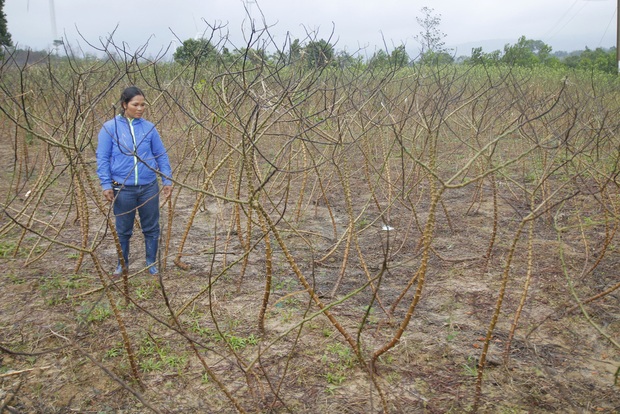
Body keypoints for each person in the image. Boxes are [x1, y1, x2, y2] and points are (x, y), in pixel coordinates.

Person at [96, 86, 173, 276]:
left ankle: (150, 263)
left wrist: (167, 179)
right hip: (122, 188)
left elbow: (160, 155)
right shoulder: (110, 128)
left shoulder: (149, 128)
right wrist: (106, 184)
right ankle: (122, 264)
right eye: (135, 105)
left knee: (151, 227)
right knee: (123, 229)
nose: (140, 108)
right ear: (124, 105)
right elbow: (103, 158)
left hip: (148, 187)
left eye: (143, 105)